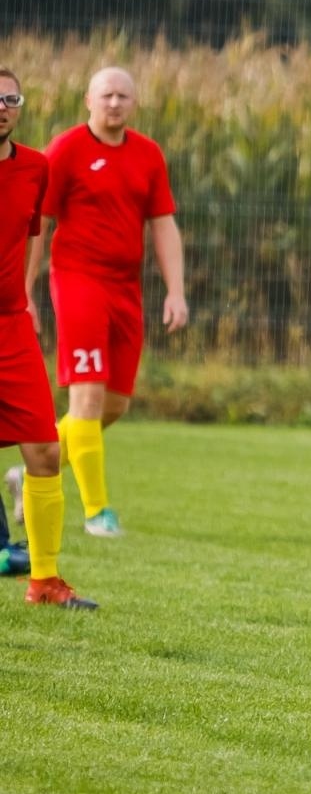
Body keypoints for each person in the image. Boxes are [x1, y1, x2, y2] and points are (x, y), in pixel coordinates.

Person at [23, 66, 188, 539]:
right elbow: (41, 220)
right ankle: (98, 512)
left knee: (113, 405)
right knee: (88, 396)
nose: (114, 103)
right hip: (77, 281)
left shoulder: (148, 155)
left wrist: (176, 291)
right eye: (106, 95)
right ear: (88, 100)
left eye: (123, 96)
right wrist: (25, 289)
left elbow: (163, 223)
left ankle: (36, 467)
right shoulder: (67, 149)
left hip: (125, 287)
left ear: (134, 103)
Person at [0, 67, 97, 608]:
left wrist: (28, 293)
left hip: (12, 327)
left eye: (10, 98)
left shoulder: (36, 167)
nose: (2, 107)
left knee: (43, 449)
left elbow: (32, 234)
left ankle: (44, 582)